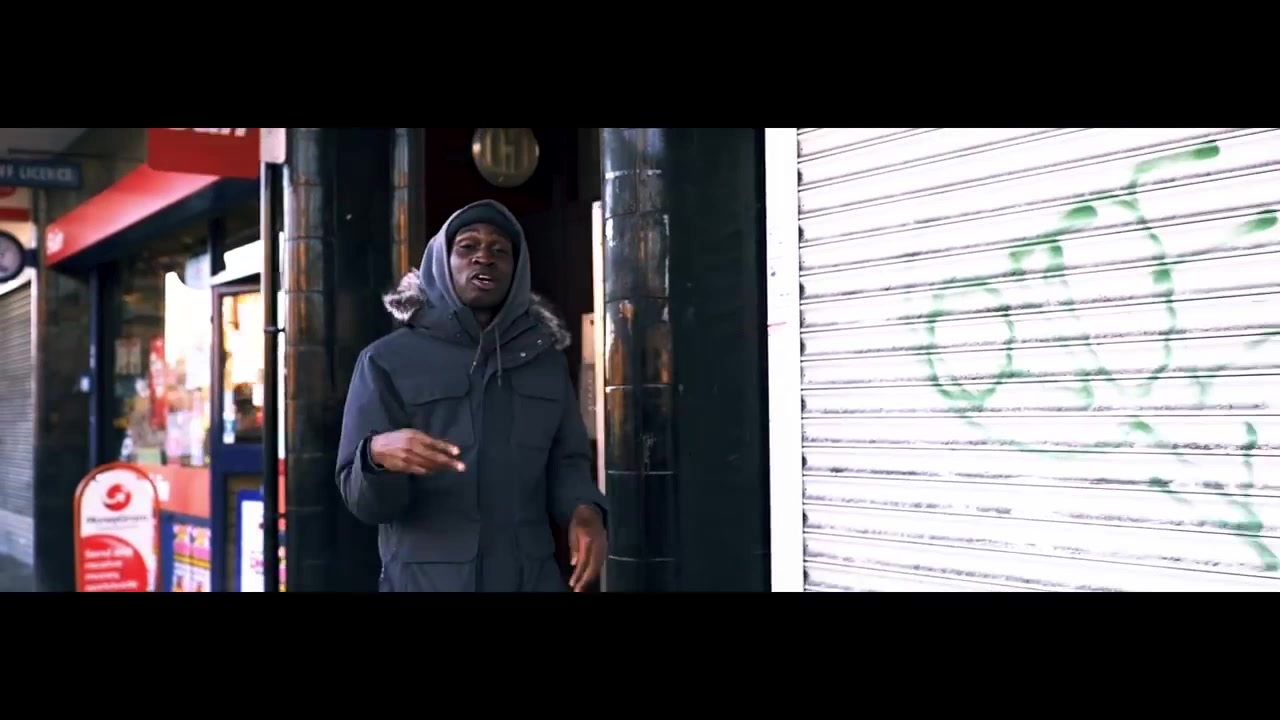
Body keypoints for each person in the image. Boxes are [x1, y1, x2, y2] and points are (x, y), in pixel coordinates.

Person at [335, 199, 608, 592]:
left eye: (500, 250)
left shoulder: (545, 362)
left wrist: (585, 510)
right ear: (441, 264)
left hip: (531, 579)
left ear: (517, 271)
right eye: (467, 246)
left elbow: (568, 462)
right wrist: (376, 456)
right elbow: (364, 503)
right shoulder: (385, 360)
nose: (484, 257)